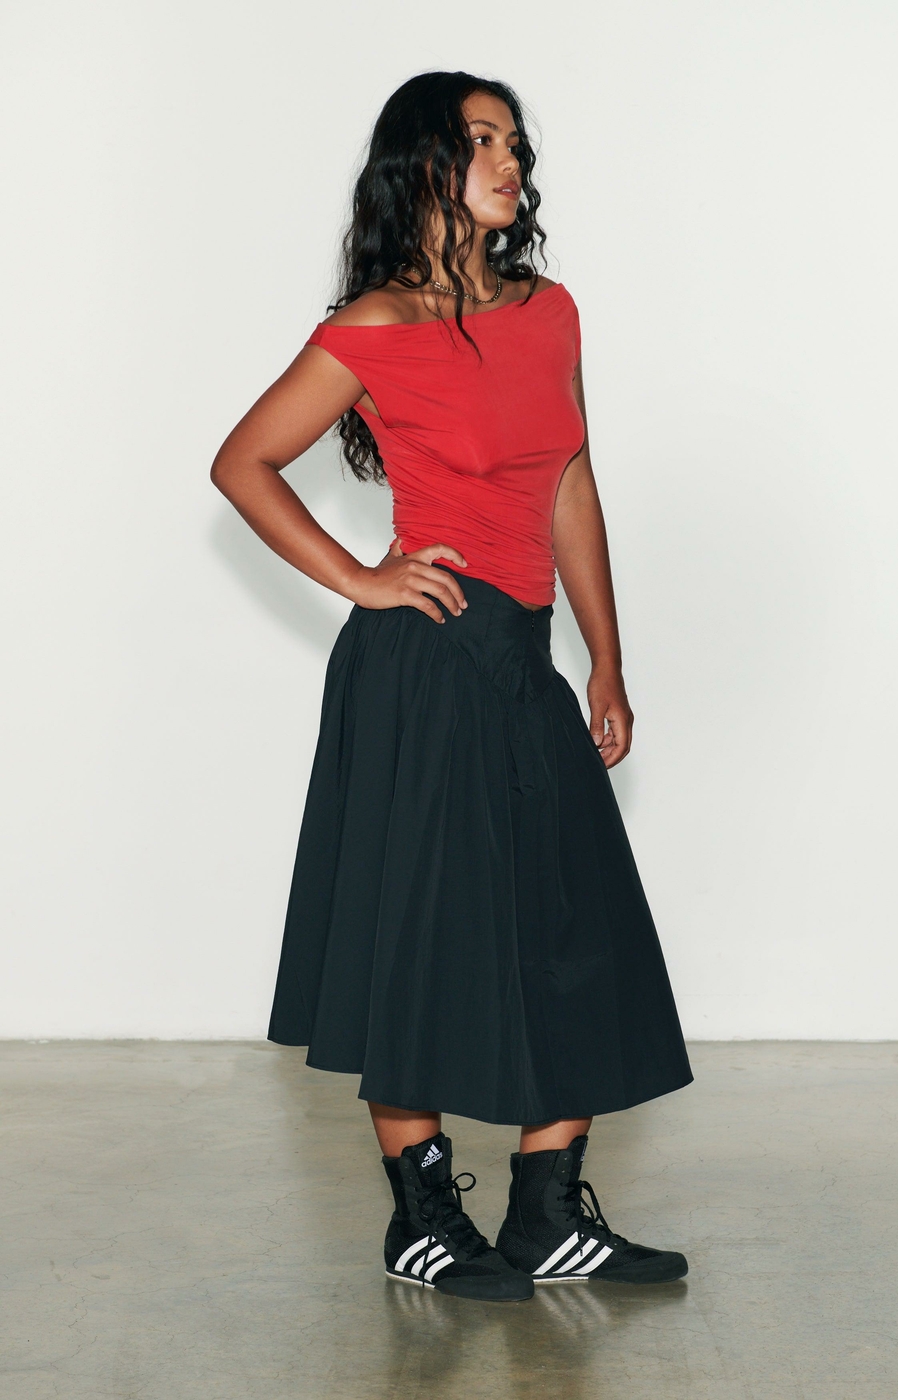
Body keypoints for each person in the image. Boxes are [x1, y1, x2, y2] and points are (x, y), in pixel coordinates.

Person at [211, 70, 693, 1304]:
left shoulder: (550, 312)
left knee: (572, 922)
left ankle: (547, 1212)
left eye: (514, 142)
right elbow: (244, 462)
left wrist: (606, 655)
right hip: (423, 663)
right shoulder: (372, 329)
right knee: (420, 935)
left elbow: (570, 482)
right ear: (422, 162)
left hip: (521, 655)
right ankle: (423, 1217)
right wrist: (361, 578)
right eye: (482, 140)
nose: (509, 160)